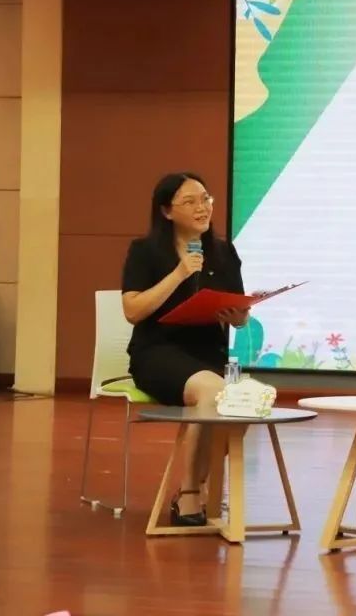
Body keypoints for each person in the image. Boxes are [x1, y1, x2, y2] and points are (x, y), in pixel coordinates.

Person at [121, 172, 249, 526]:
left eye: (205, 199)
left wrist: (238, 316)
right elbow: (132, 311)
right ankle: (191, 492)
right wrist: (179, 273)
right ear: (166, 211)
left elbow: (239, 313)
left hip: (208, 354)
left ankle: (206, 486)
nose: (202, 208)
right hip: (157, 353)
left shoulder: (223, 252)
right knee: (214, 391)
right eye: (189, 201)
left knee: (242, 402)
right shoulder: (145, 252)